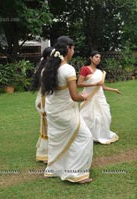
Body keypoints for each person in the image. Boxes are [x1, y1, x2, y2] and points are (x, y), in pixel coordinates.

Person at [41, 36, 93, 184]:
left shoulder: (48, 68)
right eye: (73, 48)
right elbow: (75, 96)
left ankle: (54, 169)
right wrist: (84, 97)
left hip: (53, 111)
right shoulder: (68, 69)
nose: (74, 51)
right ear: (68, 49)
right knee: (85, 137)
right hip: (65, 112)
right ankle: (75, 173)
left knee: (59, 139)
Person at [77, 51, 120, 144]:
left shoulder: (100, 72)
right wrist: (94, 83)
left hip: (100, 97)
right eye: (96, 57)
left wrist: (114, 90)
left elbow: (102, 87)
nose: (98, 59)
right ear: (91, 58)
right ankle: (88, 135)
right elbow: (79, 84)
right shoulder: (85, 69)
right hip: (89, 97)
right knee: (89, 116)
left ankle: (101, 134)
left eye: (99, 58)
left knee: (105, 116)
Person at [31, 46, 54, 163]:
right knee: (47, 127)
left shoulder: (45, 67)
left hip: (44, 100)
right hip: (43, 101)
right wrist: (43, 104)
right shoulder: (45, 69)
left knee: (47, 126)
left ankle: (46, 152)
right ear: (47, 57)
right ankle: (47, 154)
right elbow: (44, 89)